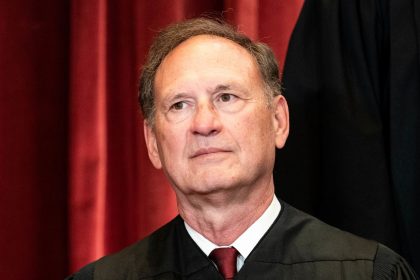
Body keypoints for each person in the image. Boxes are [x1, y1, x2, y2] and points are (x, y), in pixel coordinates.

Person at [66, 18, 417, 280]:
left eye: (226, 97)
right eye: (179, 105)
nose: (205, 123)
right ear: (153, 143)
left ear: (278, 121)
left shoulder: (369, 273)